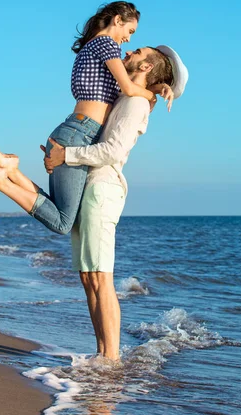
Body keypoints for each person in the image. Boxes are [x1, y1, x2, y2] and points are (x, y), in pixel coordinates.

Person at [0, 2, 173, 232]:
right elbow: (130, 88)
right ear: (117, 21)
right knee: (64, 222)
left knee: (59, 209)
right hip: (81, 133)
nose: (129, 40)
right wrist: (152, 97)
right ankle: (1, 181)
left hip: (75, 130)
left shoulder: (91, 49)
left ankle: (11, 170)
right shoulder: (106, 44)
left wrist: (157, 86)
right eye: (129, 31)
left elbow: (127, 88)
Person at [43, 45, 189, 360]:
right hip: (90, 186)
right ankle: (103, 355)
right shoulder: (132, 96)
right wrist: (157, 89)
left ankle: (110, 360)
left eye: (137, 50)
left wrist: (65, 154)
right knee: (88, 277)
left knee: (100, 277)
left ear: (147, 65)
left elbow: (113, 150)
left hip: (103, 190)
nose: (128, 51)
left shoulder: (136, 102)